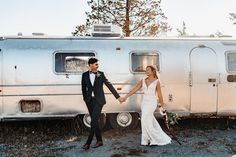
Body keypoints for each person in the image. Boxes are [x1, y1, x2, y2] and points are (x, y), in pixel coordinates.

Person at [81, 57, 124, 150]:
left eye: (98, 64)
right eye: (96, 64)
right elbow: (83, 88)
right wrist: (85, 98)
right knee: (95, 121)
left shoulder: (101, 74)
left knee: (93, 121)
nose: (98, 65)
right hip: (89, 101)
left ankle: (88, 143)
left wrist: (118, 97)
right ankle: (99, 141)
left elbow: (109, 85)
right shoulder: (84, 75)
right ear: (90, 65)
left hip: (99, 101)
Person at [122, 65, 171, 146]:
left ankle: (155, 139)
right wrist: (125, 97)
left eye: (148, 70)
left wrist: (162, 105)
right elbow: (134, 89)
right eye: (146, 70)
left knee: (145, 118)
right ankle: (145, 140)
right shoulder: (143, 80)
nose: (146, 71)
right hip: (144, 103)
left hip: (152, 102)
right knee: (145, 120)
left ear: (153, 71)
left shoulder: (156, 82)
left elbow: (159, 95)